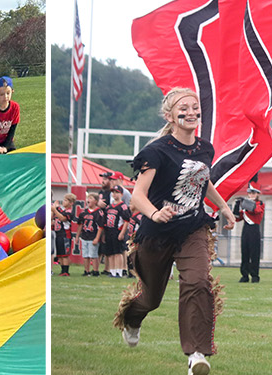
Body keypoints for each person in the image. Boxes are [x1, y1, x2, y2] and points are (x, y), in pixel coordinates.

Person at [113, 87, 231, 374]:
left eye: (195, 107)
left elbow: (203, 181)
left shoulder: (205, 148)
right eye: (183, 108)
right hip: (156, 233)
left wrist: (223, 206)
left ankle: (196, 355)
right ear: (169, 115)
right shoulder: (155, 152)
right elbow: (138, 194)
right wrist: (155, 212)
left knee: (198, 282)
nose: (191, 112)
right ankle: (132, 318)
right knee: (151, 298)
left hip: (193, 228)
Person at [234, 185, 266, 283]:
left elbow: (256, 211)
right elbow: (237, 218)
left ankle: (255, 275)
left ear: (257, 194)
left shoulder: (260, 203)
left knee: (254, 254)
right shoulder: (245, 205)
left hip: (254, 229)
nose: (251, 195)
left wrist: (245, 203)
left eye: (254, 193)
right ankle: (244, 275)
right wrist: (237, 205)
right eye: (250, 193)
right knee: (245, 253)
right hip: (246, 229)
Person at [55, 195, 77, 276]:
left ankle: (66, 271)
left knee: (65, 255)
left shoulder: (69, 212)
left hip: (65, 235)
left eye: (66, 200)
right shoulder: (62, 210)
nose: (63, 201)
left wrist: (55, 209)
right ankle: (62, 270)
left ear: (71, 203)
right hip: (58, 234)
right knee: (60, 254)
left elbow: (63, 218)